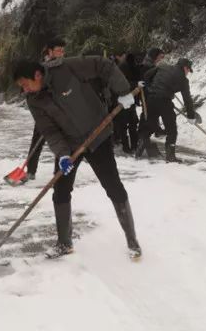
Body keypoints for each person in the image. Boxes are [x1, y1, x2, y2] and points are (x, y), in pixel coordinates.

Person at [13, 56, 141, 259]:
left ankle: (132, 241)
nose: (25, 90)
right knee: (61, 190)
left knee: (113, 186)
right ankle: (64, 243)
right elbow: (50, 132)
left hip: (97, 136)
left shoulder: (66, 69)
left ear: (37, 75)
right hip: (70, 145)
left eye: (26, 84)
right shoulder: (34, 100)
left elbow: (104, 65)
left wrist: (123, 91)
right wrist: (63, 155)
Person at [136, 58, 199, 162]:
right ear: (185, 68)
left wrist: (148, 86)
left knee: (149, 123)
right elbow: (187, 99)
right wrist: (191, 116)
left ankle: (142, 142)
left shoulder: (163, 67)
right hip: (165, 102)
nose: (188, 73)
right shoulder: (183, 80)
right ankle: (170, 156)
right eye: (188, 70)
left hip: (151, 99)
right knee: (172, 129)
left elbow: (147, 75)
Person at [25, 38, 66, 181]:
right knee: (37, 139)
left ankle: (58, 171)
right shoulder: (42, 69)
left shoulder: (65, 66)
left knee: (61, 140)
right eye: (58, 50)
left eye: (63, 50)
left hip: (60, 110)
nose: (61, 53)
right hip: (43, 111)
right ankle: (30, 170)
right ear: (50, 51)